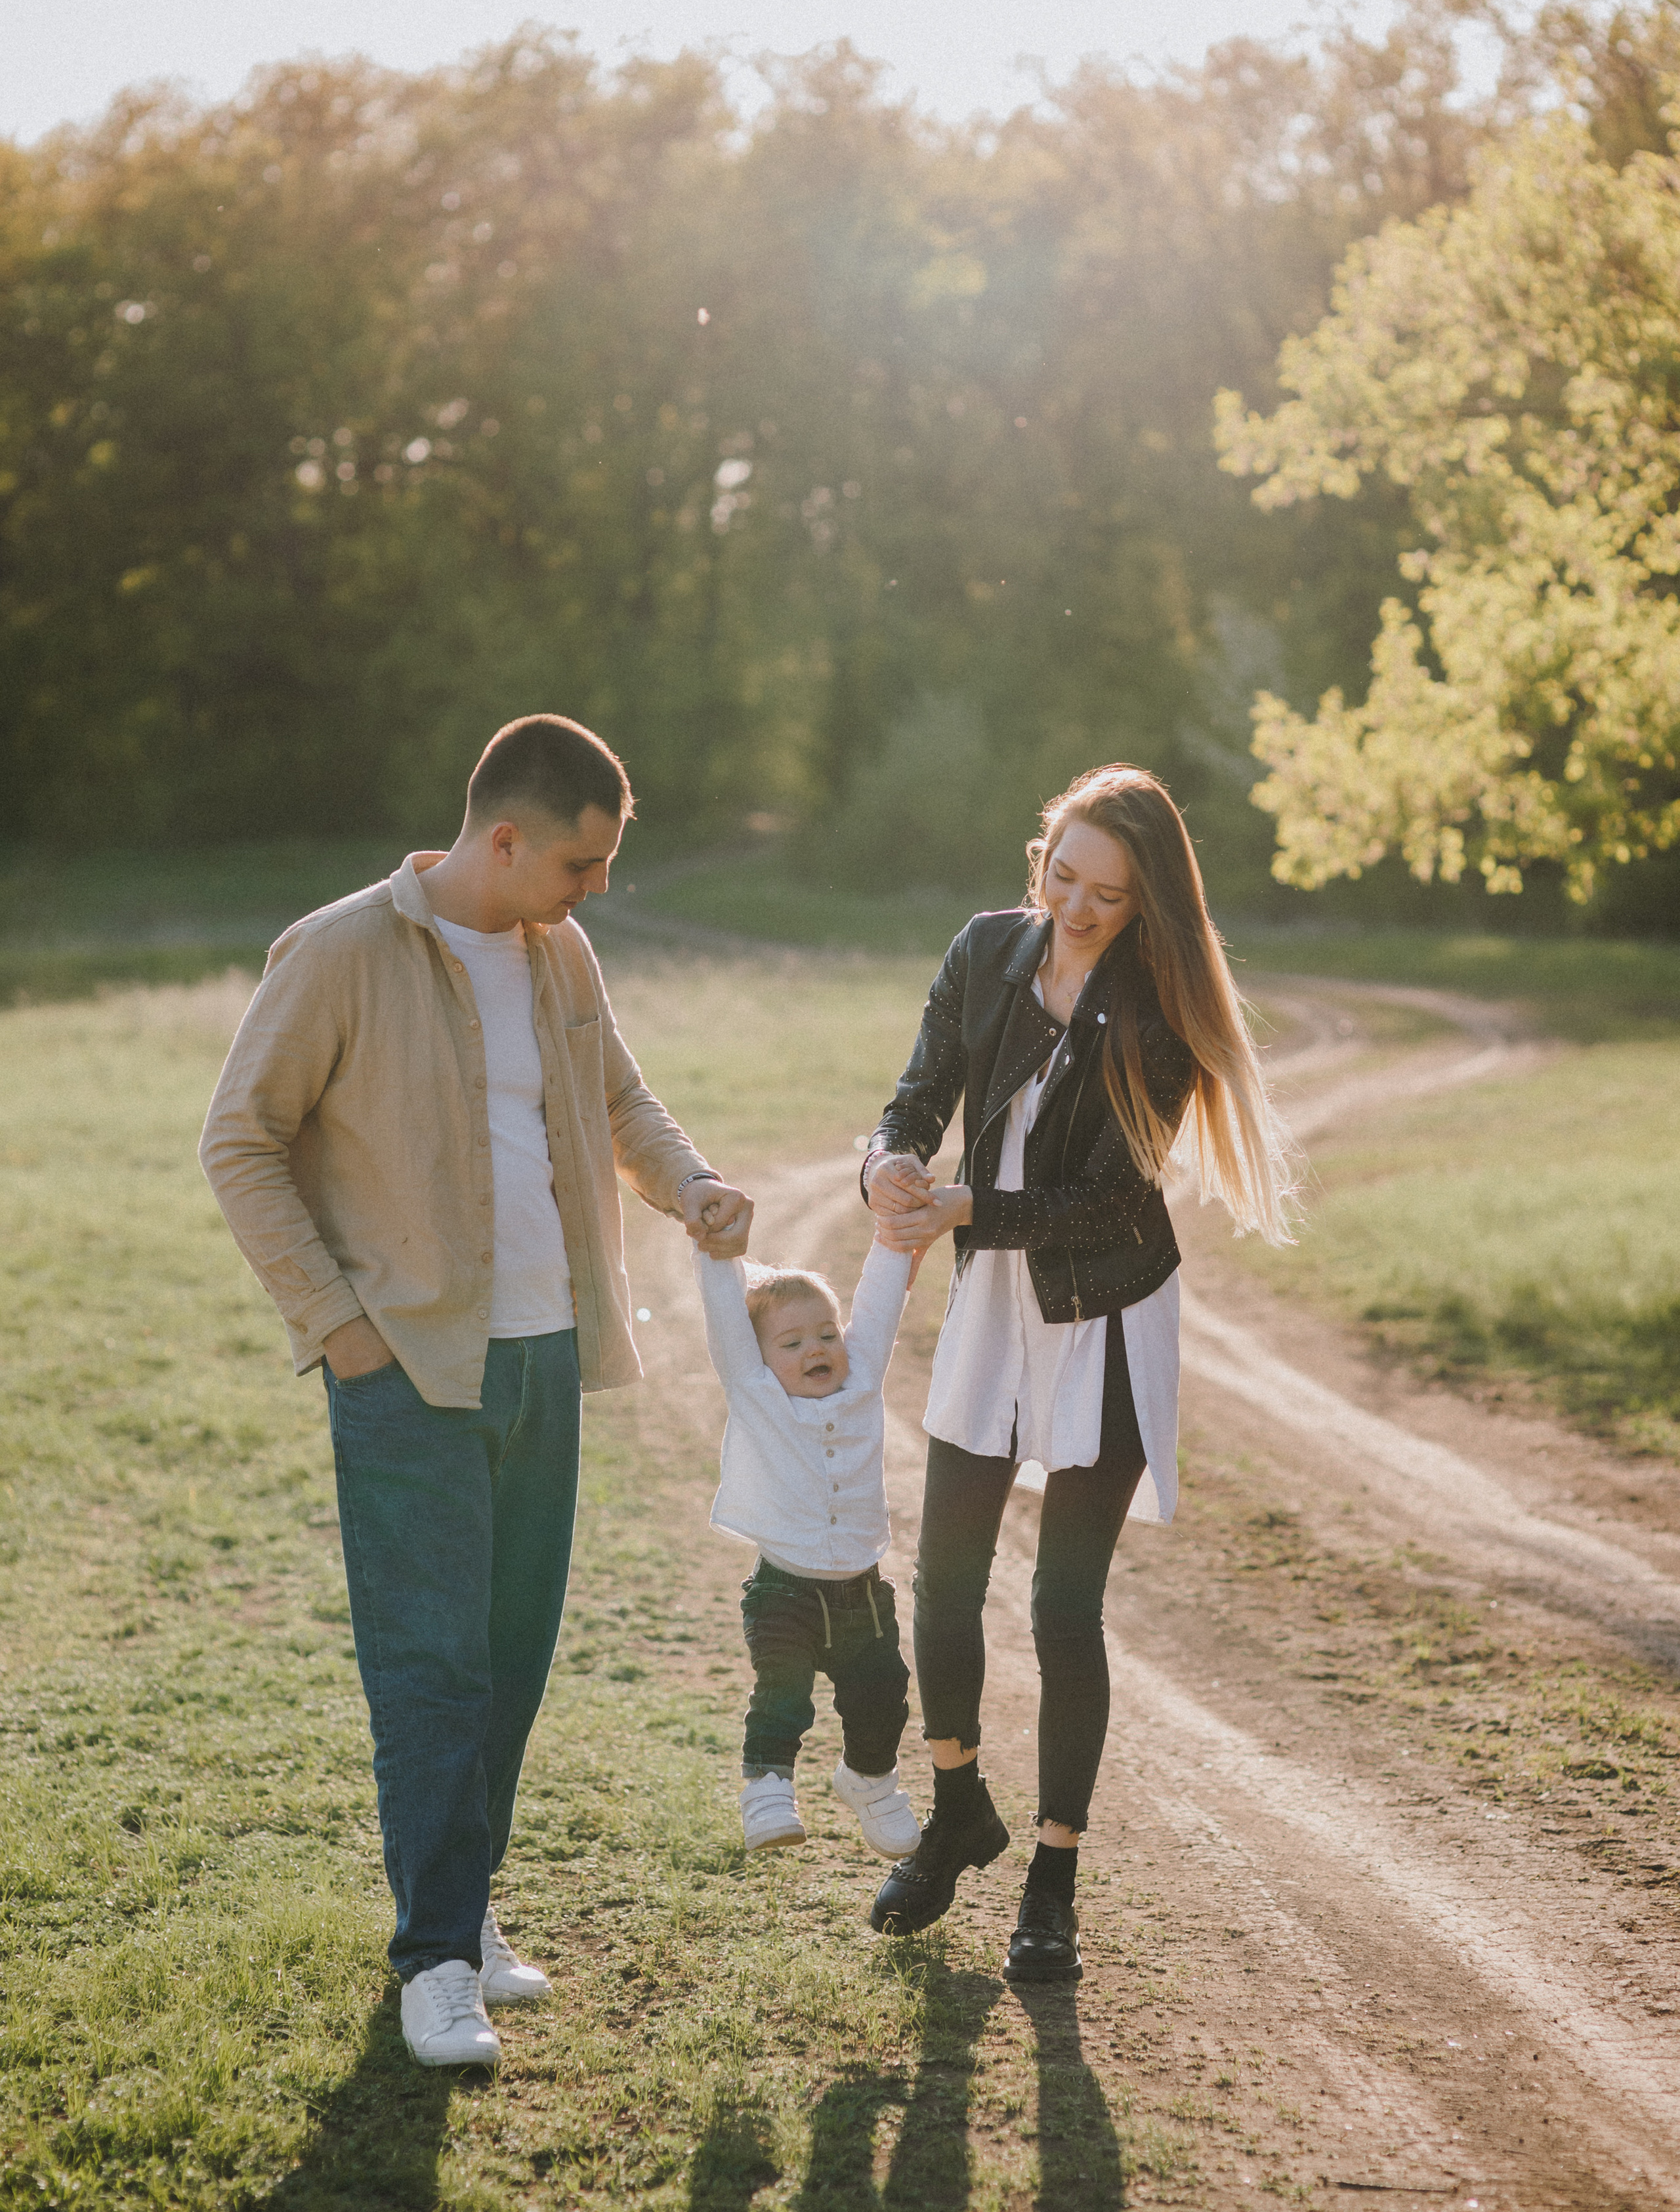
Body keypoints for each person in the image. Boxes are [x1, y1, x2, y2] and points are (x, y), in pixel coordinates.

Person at [199, 714, 753, 2067]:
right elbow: (239, 1139)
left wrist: (690, 1189)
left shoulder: (557, 950)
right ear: (501, 839)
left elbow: (621, 1103)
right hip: (407, 1372)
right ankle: (433, 1962)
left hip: (545, 1352)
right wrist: (337, 1324)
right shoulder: (338, 953)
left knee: (510, 1660)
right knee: (432, 1669)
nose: (599, 889)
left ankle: (465, 1908)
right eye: (581, 862)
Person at [864, 763, 1293, 1982]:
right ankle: (957, 1807)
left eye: (1110, 891)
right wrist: (889, 1168)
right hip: (998, 1298)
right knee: (940, 1581)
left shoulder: (1159, 1008)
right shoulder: (984, 951)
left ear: (1147, 898)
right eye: (1066, 874)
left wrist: (962, 1206)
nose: (1080, 906)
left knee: (1061, 1604)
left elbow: (1108, 1197)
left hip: (1107, 1304)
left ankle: (1052, 1877)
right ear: (1042, 852)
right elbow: (919, 1093)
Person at [692, 1240, 921, 1860]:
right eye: (790, 1344)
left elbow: (878, 1310)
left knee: (882, 1691)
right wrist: (712, 1248)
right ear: (762, 1358)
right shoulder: (755, 1391)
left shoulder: (863, 1378)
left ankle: (870, 1781)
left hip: (862, 1591)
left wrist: (893, 1239)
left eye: (826, 1334)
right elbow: (725, 1323)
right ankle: (767, 1786)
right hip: (783, 1589)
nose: (815, 1349)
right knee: (783, 1689)